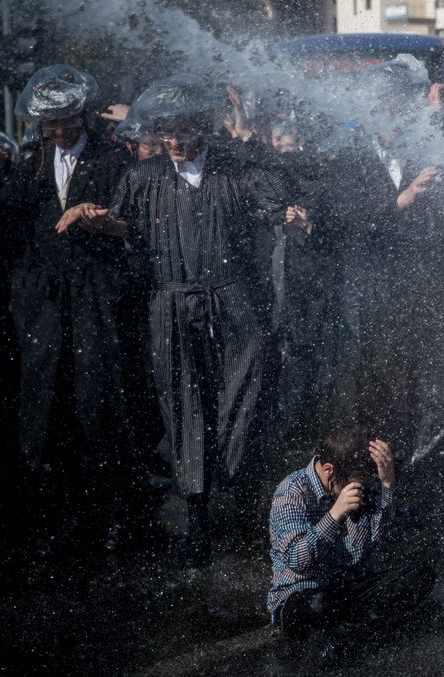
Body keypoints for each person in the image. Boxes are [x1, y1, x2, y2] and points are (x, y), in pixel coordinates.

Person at [61, 76, 305, 566]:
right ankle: (196, 516)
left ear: (202, 130)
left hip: (233, 298)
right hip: (171, 301)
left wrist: (290, 212)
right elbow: (123, 225)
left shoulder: (235, 168)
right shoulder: (143, 177)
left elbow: (277, 198)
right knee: (183, 400)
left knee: (249, 380)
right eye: (165, 134)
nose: (173, 143)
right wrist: (92, 218)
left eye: (183, 134)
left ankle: (233, 490)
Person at [0, 66, 136, 556]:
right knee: (48, 400)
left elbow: (134, 222)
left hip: (96, 296)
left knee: (100, 398)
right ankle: (61, 511)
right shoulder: (30, 161)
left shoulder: (112, 157)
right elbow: (2, 231)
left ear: (82, 114)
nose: (62, 131)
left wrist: (101, 222)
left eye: (68, 121)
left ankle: (113, 512)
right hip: (45, 303)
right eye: (52, 124)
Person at [268, 429, 433, 654]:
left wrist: (388, 485)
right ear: (329, 471)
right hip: (304, 592)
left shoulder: (363, 484)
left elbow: (385, 540)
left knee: (419, 574)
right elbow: (297, 560)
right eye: (356, 486)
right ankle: (357, 633)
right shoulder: (291, 491)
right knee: (316, 604)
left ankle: (349, 636)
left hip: (350, 588)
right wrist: (334, 515)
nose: (362, 491)